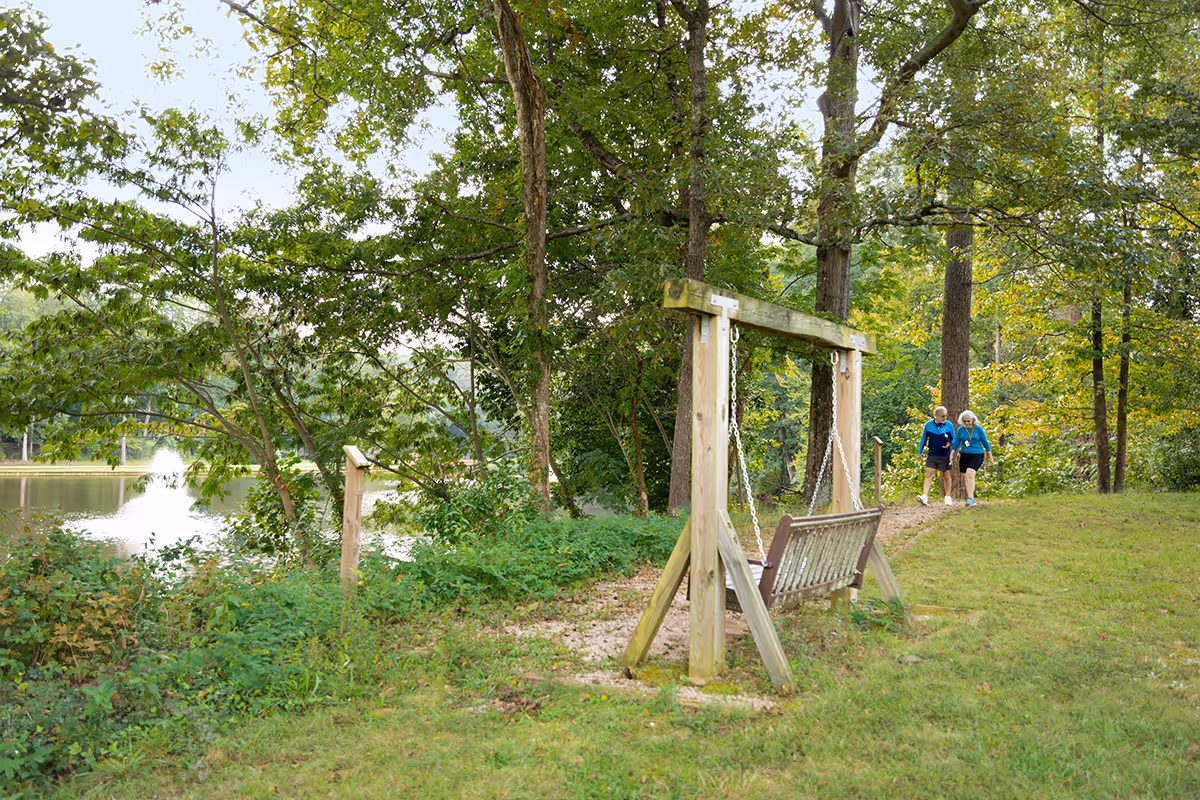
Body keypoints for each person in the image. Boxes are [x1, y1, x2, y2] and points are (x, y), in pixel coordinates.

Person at [951, 410, 995, 507]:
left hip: (977, 454)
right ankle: (969, 497)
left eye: (968, 421)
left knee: (970, 473)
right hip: (964, 455)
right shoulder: (961, 430)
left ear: (973, 420)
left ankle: (971, 498)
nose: (967, 423)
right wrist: (952, 454)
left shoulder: (978, 429)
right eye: (965, 421)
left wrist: (990, 457)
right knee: (966, 476)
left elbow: (985, 443)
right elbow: (957, 442)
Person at [917, 406, 955, 506]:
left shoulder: (949, 425)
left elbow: (954, 438)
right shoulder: (928, 425)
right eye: (942, 416)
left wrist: (950, 444)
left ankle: (947, 497)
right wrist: (919, 452)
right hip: (932, 454)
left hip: (945, 455)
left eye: (946, 416)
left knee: (946, 475)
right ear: (936, 416)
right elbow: (924, 438)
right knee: (929, 474)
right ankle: (924, 496)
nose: (944, 418)